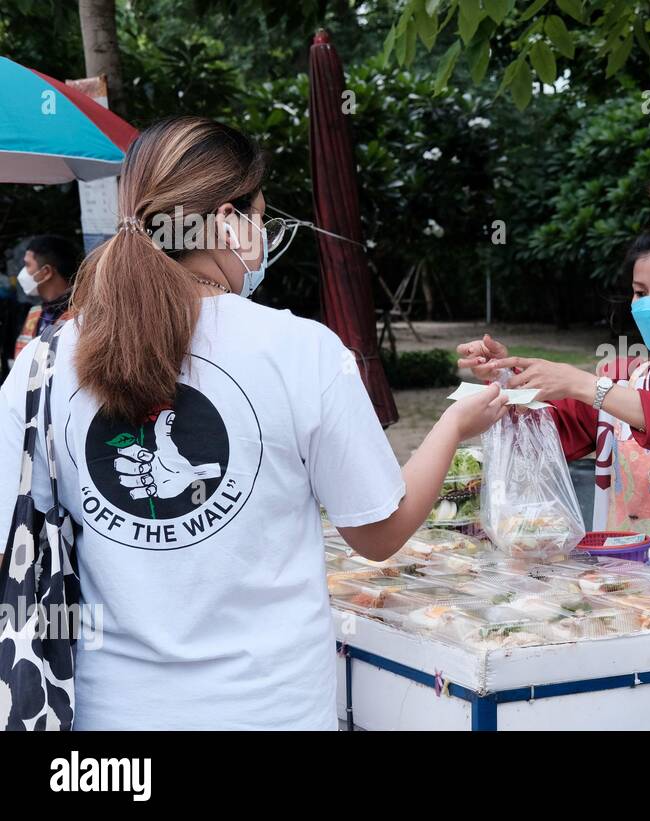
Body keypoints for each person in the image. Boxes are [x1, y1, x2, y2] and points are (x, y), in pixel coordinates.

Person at [0, 116, 507, 730]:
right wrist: (453, 422)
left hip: (113, 716)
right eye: (260, 215)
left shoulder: (45, 364)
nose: (264, 235)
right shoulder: (301, 350)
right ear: (224, 219)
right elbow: (377, 534)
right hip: (272, 709)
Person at [456, 176, 650, 560]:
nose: (647, 303)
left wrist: (589, 386)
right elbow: (547, 434)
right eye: (640, 292)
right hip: (622, 582)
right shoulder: (624, 375)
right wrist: (507, 379)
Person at [13, 234, 78, 361]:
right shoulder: (35, 312)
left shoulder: (81, 316)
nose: (22, 273)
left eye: (27, 265)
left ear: (46, 272)